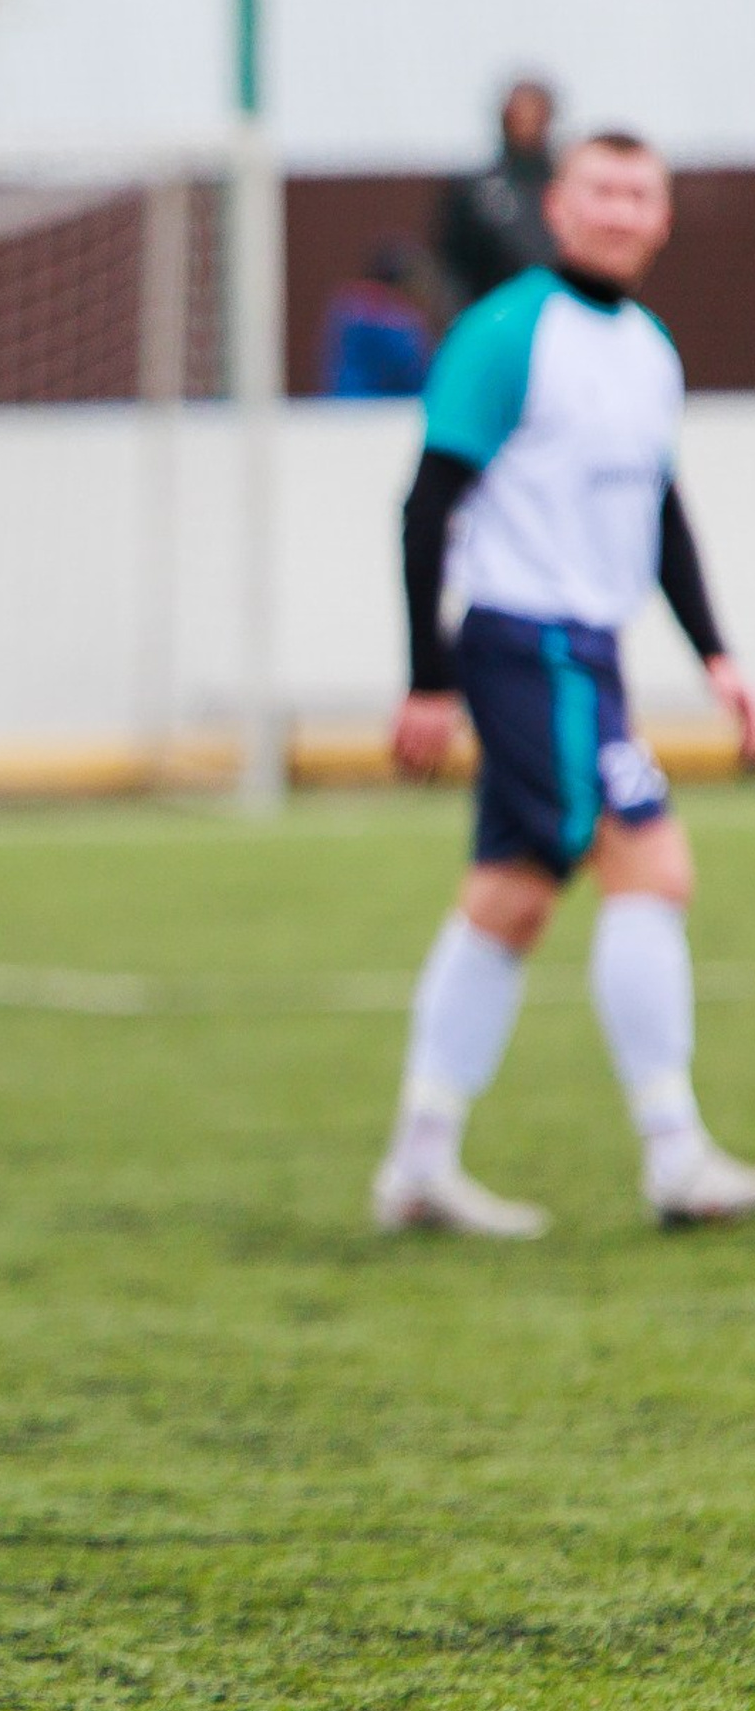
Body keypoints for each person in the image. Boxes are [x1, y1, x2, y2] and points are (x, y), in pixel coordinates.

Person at [376, 129, 755, 1236]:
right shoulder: (508, 331)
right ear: (559, 206)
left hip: (587, 654)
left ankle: (418, 1160)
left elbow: (660, 512)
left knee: (510, 897)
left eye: (641, 192)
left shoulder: (647, 346)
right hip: (523, 642)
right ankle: (674, 1152)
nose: (621, 210)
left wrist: (717, 657)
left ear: (662, 215)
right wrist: (426, 678)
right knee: (652, 863)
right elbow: (425, 503)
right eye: (601, 189)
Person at [434, 75, 558, 312]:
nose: (527, 125)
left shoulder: (565, 185)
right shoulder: (476, 190)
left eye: (535, 116)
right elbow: (452, 262)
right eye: (518, 116)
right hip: (493, 311)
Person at [317, 240, 432, 398]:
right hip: (386, 408)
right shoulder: (395, 319)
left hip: (346, 403)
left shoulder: (347, 306)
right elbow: (411, 369)